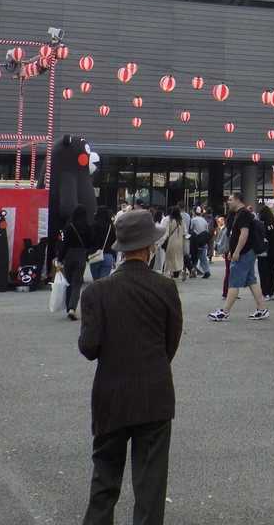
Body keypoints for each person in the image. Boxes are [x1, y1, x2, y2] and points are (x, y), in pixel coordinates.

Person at [78, 209, 183, 525]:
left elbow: (89, 348)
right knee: (150, 484)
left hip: (111, 394)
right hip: (155, 391)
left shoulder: (96, 291)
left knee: (105, 477)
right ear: (149, 248)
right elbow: (171, 341)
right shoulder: (165, 288)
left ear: (121, 249)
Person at [207, 192, 270, 321]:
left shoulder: (243, 214)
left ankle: (225, 312)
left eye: (230, 200)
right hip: (246, 252)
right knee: (251, 281)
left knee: (234, 281)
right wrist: (233, 250)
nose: (228, 202)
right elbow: (236, 235)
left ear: (237, 200)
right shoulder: (239, 214)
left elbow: (244, 234)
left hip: (244, 253)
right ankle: (262, 309)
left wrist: (236, 252)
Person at [59, 206, 92, 321]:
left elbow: (64, 244)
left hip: (69, 255)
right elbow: (90, 243)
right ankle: (72, 308)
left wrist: (60, 258)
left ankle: (68, 307)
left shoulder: (69, 227)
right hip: (81, 255)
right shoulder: (87, 227)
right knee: (77, 283)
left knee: (68, 282)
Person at [256, 203, 274, 301]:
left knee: (264, 273)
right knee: (272, 272)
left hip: (264, 252)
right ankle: (271, 293)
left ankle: (265, 292)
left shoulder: (261, 224)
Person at [89, 206, 117, 282]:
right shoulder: (111, 227)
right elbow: (114, 242)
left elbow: (90, 240)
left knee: (96, 282)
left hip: (95, 256)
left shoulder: (93, 226)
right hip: (108, 255)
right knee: (103, 282)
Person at [163, 207, 186, 282]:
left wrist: (162, 241)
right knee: (179, 259)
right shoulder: (181, 221)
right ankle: (182, 271)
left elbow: (166, 233)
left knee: (170, 259)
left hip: (171, 242)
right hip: (180, 243)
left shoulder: (170, 220)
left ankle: (170, 273)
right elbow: (185, 233)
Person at [188, 207, 211, 279]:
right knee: (203, 257)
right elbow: (207, 230)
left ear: (194, 212)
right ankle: (206, 271)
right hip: (203, 241)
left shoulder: (193, 220)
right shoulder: (204, 220)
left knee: (194, 256)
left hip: (196, 241)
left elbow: (190, 229)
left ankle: (193, 272)